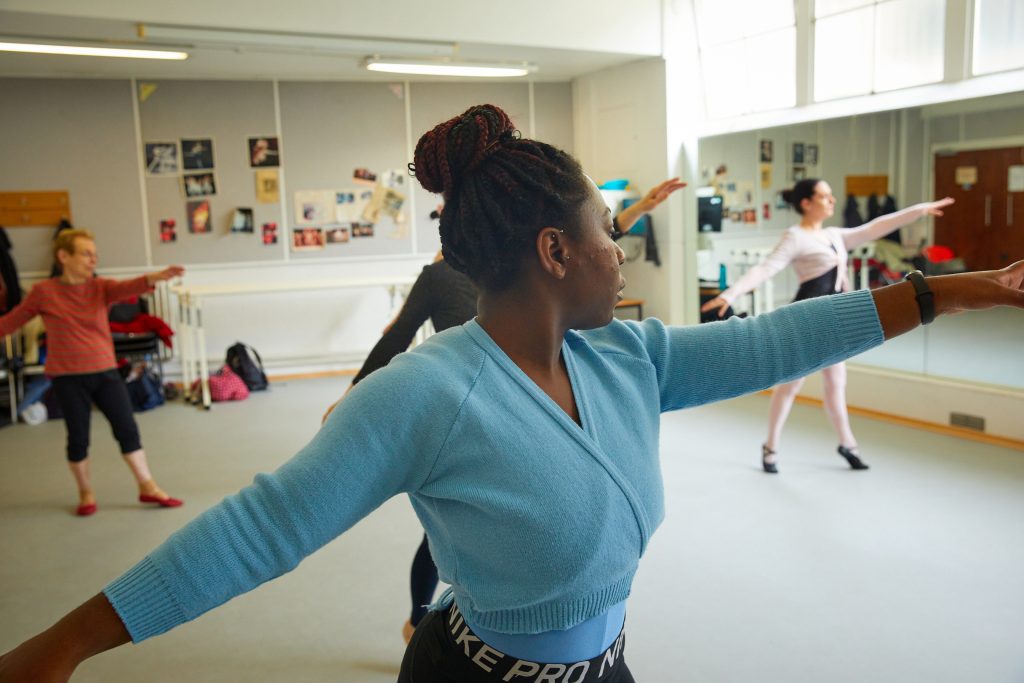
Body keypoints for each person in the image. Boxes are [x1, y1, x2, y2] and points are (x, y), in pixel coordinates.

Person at [1, 106, 1020, 683]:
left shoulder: (626, 356)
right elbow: (262, 527)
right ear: (554, 251)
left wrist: (951, 289)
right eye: (606, 235)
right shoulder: (428, 394)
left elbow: (779, 336)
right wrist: (65, 644)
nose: (620, 255)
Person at [326, 178, 687, 647]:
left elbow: (594, 239)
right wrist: (355, 391)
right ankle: (417, 622)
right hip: (466, 405)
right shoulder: (440, 279)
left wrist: (641, 206)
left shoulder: (517, 264)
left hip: (524, 391)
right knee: (442, 538)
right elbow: (397, 336)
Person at [701, 179, 954, 473]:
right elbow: (766, 268)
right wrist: (729, 294)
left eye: (832, 196)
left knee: (836, 384)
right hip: (806, 320)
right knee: (790, 386)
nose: (832, 201)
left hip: (837, 318)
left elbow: (874, 227)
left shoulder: (834, 235)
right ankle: (771, 446)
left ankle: (848, 444)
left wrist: (919, 210)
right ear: (806, 203)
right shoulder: (795, 236)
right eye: (824, 196)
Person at [0, 229, 184, 516]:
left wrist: (152, 278)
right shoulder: (43, 293)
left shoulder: (100, 288)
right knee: (78, 438)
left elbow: (128, 287)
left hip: (105, 373)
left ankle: (148, 487)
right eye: (86, 254)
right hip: (67, 377)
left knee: (127, 429)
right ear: (64, 256)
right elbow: (12, 322)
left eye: (95, 255)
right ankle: (86, 492)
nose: (93, 260)